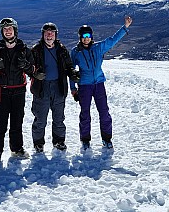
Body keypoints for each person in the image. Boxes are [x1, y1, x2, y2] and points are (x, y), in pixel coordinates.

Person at [70, 16, 133, 150]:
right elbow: (71, 71)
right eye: (83, 36)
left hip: (99, 84)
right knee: (85, 113)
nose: (86, 38)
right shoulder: (76, 52)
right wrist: (73, 88)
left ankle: (106, 139)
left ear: (91, 37)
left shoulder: (98, 48)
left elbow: (112, 40)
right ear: (80, 37)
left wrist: (125, 27)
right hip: (84, 86)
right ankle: (85, 139)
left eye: (88, 35)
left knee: (104, 112)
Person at [0, 17, 35, 161]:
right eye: (5, 29)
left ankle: (17, 149)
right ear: (2, 32)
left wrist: (25, 66)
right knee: (0, 123)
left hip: (19, 91)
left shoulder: (24, 50)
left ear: (15, 31)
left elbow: (33, 70)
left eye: (10, 29)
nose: (8, 31)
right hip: (3, 91)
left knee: (17, 122)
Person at [29, 22, 79, 153]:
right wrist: (35, 74)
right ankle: (38, 143)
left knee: (58, 118)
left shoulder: (62, 50)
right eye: (47, 33)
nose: (49, 35)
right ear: (43, 35)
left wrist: (73, 74)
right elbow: (28, 68)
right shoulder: (36, 50)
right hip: (42, 87)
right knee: (40, 118)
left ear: (56, 35)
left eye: (52, 33)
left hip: (58, 86)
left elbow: (68, 66)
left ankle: (59, 141)